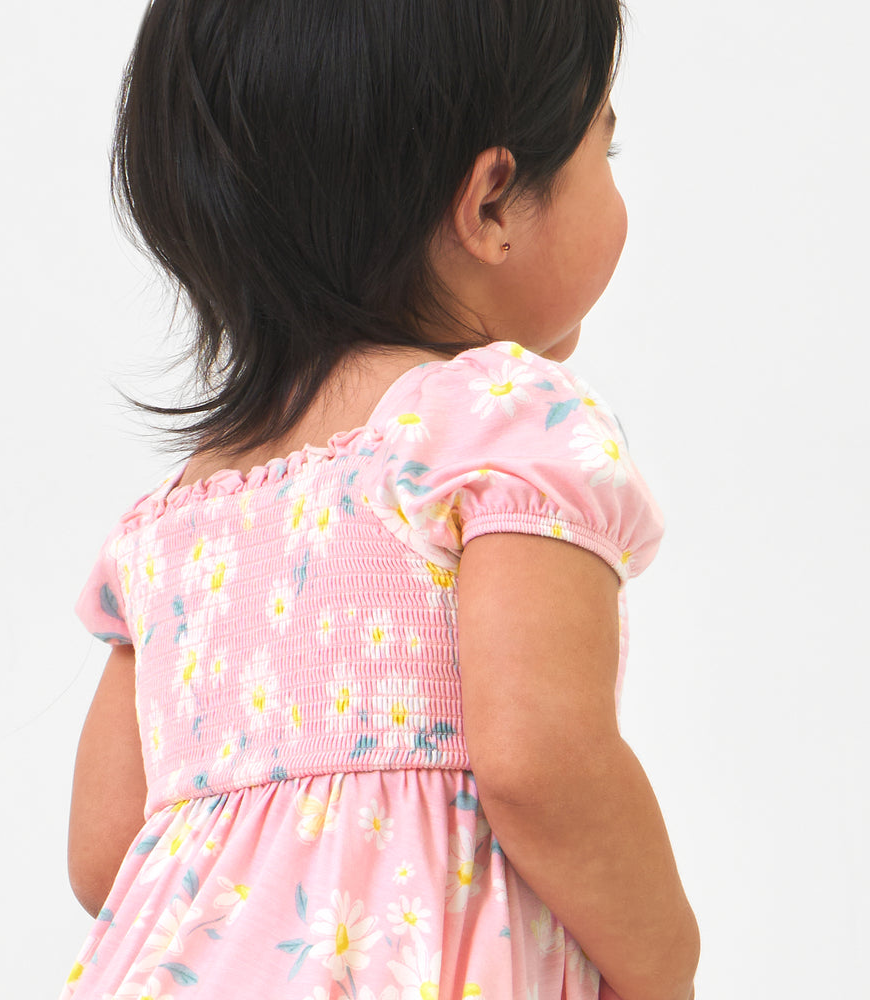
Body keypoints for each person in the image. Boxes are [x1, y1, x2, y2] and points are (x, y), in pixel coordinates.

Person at [61, 1, 700, 998]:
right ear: (492, 202)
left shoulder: (177, 515)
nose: (614, 181)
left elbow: (109, 851)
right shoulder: (502, 424)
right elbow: (539, 758)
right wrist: (666, 963)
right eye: (602, 147)